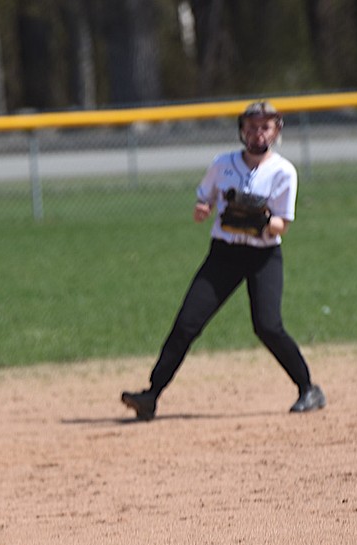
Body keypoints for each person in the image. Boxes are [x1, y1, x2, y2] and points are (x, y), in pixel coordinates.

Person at [121, 102, 325, 421]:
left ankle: (308, 388)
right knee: (187, 323)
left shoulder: (283, 171)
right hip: (224, 253)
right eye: (252, 126)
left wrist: (254, 218)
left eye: (265, 126)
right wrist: (202, 210)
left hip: (263, 256)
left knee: (268, 326)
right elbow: (203, 201)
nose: (258, 133)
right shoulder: (223, 163)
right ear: (242, 129)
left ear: (277, 130)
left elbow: (281, 225)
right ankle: (151, 395)